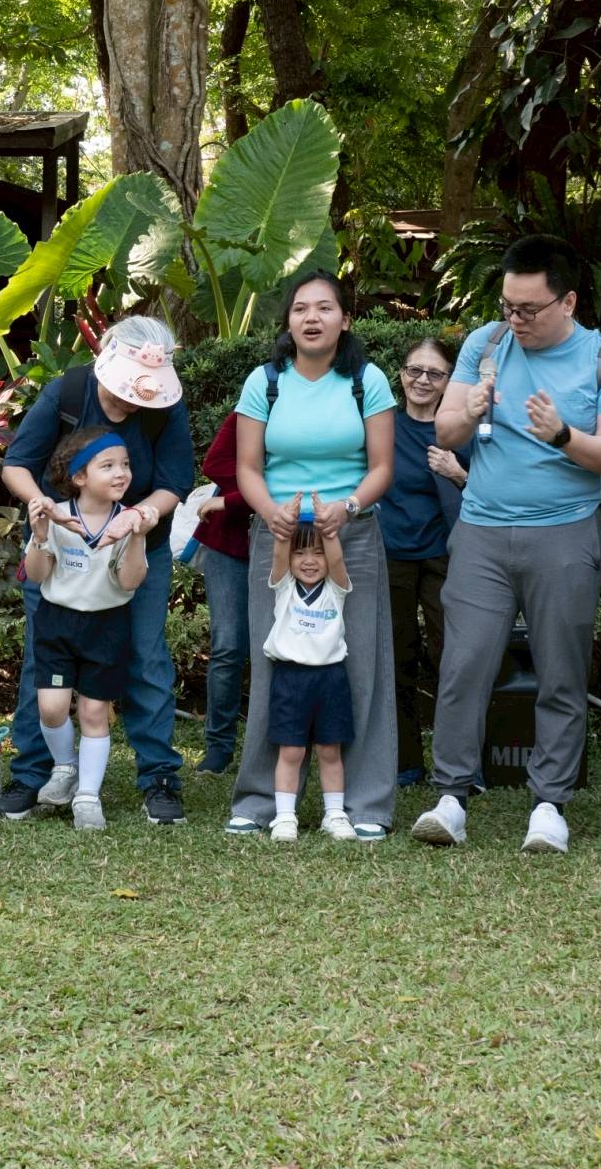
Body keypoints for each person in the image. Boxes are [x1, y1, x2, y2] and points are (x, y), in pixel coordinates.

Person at [413, 236, 601, 853]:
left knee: (561, 671)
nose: (516, 319)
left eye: (529, 309)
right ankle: (452, 797)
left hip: (564, 532)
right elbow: (448, 429)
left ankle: (549, 807)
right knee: (463, 665)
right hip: (482, 530)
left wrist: (563, 434)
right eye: (509, 305)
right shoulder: (485, 344)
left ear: (566, 301)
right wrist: (470, 409)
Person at [0, 317, 192, 826]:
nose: (133, 402)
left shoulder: (164, 408)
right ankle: (35, 771)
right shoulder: (69, 392)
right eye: (128, 389)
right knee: (45, 658)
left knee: (145, 656)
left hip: (135, 547)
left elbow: (174, 482)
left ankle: (158, 777)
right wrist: (45, 507)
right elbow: (17, 463)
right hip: (59, 540)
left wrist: (141, 516)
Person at [225, 270, 397, 838]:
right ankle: (259, 800)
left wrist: (346, 507)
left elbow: (382, 469)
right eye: (301, 308)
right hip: (278, 536)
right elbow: (247, 468)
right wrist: (268, 510)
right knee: (274, 656)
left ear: (346, 319)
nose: (312, 318)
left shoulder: (366, 380)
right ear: (289, 321)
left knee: (361, 662)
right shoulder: (264, 381)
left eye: (325, 308)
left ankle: (367, 804)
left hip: (353, 533)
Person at [22, 426, 150, 831]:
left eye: (125, 465)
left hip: (107, 625)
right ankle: (65, 767)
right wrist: (41, 535)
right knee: (52, 707)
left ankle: (88, 797)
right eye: (108, 465)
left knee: (95, 712)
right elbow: (38, 575)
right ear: (79, 477)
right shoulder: (58, 516)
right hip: (58, 622)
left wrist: (139, 536)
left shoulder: (128, 519)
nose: (121, 474)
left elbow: (130, 582)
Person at [378, 336, 466, 789]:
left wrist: (458, 473)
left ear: (450, 382)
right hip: (390, 555)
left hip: (445, 555)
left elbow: (491, 494)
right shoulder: (383, 425)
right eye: (415, 370)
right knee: (396, 659)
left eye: (435, 373)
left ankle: (460, 765)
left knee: (452, 658)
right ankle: (405, 761)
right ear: (401, 374)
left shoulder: (458, 431)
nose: (422, 380)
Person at [264, 500, 356, 843]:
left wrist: (327, 527)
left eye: (316, 553)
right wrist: (285, 522)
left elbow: (336, 560)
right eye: (301, 553)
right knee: (291, 751)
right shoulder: (284, 587)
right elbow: (278, 555)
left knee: (330, 751)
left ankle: (335, 814)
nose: (309, 561)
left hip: (330, 678)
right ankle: (285, 817)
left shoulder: (336, 588)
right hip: (291, 678)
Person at [188, 411, 252, 775]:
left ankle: (274, 744)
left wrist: (235, 498)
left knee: (275, 649)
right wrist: (252, 494)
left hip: (291, 544)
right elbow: (216, 462)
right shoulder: (254, 404)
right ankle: (219, 746)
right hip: (229, 543)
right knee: (228, 644)